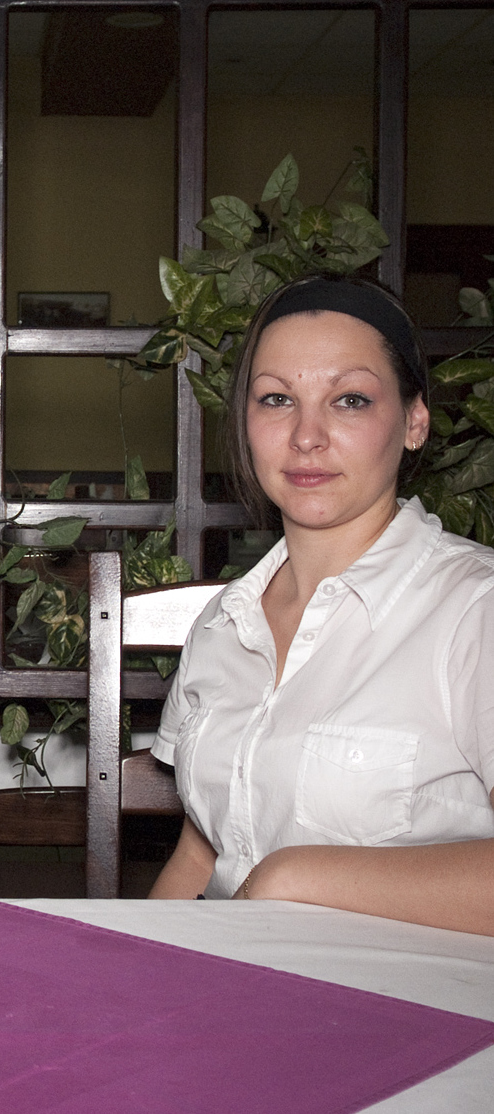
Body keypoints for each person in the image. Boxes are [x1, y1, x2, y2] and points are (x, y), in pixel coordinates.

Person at [149, 272, 494, 936]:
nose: (306, 436)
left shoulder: (472, 610)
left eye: (350, 400)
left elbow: (266, 875)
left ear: (414, 422)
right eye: (277, 399)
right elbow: (204, 853)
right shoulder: (223, 624)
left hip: (417, 1018)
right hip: (242, 995)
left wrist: (295, 881)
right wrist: (119, 977)